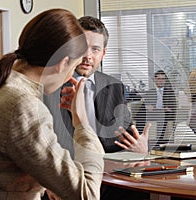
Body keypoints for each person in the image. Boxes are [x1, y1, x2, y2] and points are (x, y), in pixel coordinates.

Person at [0, 9, 104, 200]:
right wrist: (82, 123)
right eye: (73, 68)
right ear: (63, 63)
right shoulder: (23, 106)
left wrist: (47, 182)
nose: (70, 76)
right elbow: (87, 194)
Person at [44, 16, 151, 200]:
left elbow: (123, 140)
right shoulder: (50, 86)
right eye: (83, 48)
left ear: (104, 53)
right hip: (65, 182)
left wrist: (140, 150)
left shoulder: (114, 86)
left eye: (96, 49)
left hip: (108, 181)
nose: (88, 56)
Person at [141, 70, 176, 146]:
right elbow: (146, 105)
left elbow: (173, 106)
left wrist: (168, 108)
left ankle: (159, 142)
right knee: (141, 115)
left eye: (163, 79)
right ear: (155, 80)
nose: (161, 81)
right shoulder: (150, 92)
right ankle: (140, 140)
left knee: (161, 116)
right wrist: (147, 106)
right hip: (153, 113)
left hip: (164, 113)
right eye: (159, 79)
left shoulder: (170, 92)